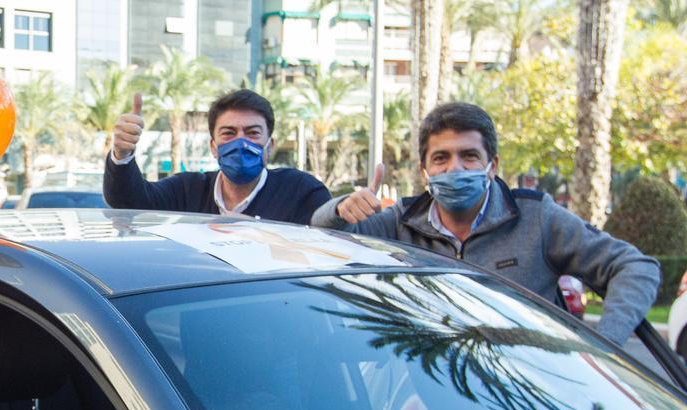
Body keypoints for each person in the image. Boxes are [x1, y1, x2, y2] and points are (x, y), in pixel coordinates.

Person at [310, 102, 658, 345]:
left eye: (469, 156)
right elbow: (323, 241)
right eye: (441, 158)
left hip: (531, 396)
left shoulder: (536, 217)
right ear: (424, 171)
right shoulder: (401, 222)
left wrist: (602, 348)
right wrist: (342, 207)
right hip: (436, 391)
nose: (455, 168)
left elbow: (635, 267)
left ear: (492, 166)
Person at [103, 89, 331, 223]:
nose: (241, 143)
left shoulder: (301, 191)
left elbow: (330, 237)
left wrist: (347, 211)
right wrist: (122, 154)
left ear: (269, 146)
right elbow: (130, 202)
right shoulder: (187, 190)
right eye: (228, 133)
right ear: (213, 146)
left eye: (252, 133)